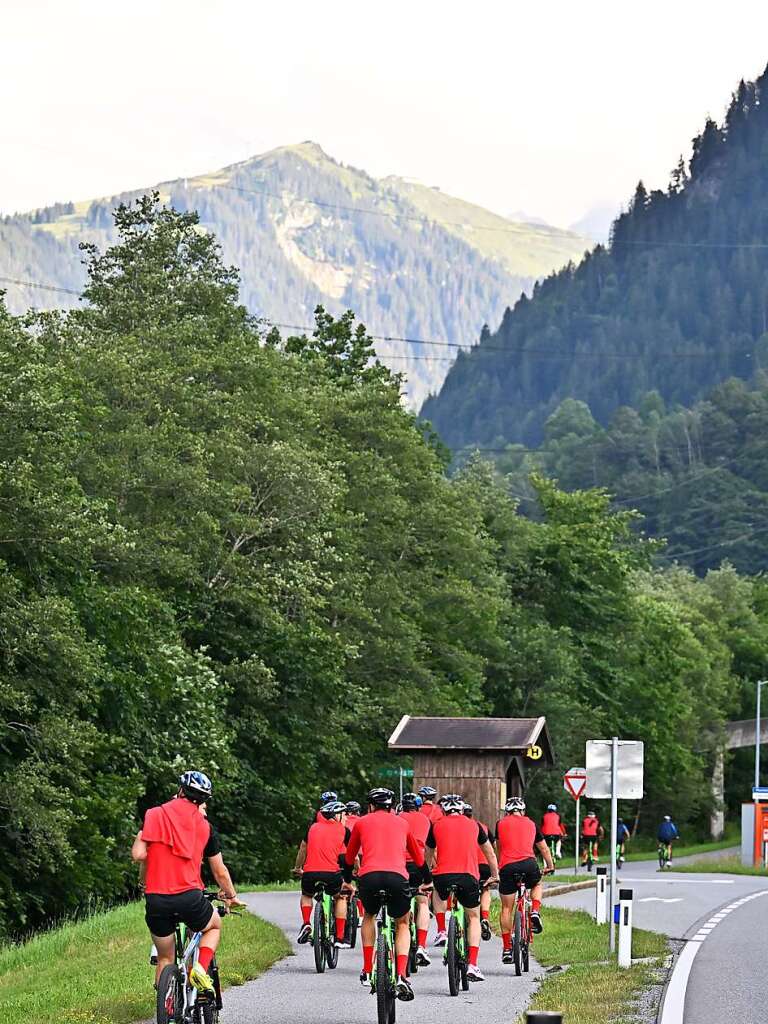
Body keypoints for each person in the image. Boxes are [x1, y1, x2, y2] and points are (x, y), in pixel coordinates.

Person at [131, 770, 240, 993]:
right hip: (188, 897)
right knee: (214, 926)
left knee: (164, 957)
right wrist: (231, 896)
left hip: (156, 900)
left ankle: (166, 999)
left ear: (180, 790)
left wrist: (144, 839)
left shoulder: (155, 814)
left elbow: (139, 856)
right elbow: (219, 871)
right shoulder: (205, 827)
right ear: (203, 801)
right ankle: (200, 968)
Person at [344, 787, 426, 1002]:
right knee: (402, 923)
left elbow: (349, 856)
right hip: (397, 878)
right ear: (391, 806)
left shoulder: (361, 823)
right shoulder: (403, 823)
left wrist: (346, 880)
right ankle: (401, 974)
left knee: (369, 916)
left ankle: (366, 969)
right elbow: (418, 859)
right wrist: (427, 879)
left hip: (369, 877)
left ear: (371, 805)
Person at [426, 794, 499, 982]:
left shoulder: (436, 825)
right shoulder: (474, 825)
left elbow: (429, 853)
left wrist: (427, 874)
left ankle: (442, 930)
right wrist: (495, 875)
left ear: (444, 810)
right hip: (468, 876)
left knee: (438, 894)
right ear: (461, 810)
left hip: (442, 876)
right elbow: (490, 853)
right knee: (474, 917)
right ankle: (473, 965)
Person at [495, 796, 554, 962]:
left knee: (506, 908)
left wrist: (501, 865)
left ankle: (507, 948)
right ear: (523, 811)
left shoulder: (500, 824)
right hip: (529, 865)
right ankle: (535, 910)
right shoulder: (531, 824)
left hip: (507, 867)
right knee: (536, 884)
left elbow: (499, 848)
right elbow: (543, 848)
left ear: (507, 812)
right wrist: (550, 866)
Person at [293, 801, 351, 946]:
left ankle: (306, 923)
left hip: (310, 873)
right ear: (336, 815)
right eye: (343, 814)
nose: (345, 817)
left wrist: (298, 868)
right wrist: (358, 868)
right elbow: (353, 856)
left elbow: (303, 849)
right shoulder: (343, 830)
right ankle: (339, 937)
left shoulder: (312, 828)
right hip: (332, 874)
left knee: (307, 895)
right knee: (341, 897)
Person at [399, 792, 432, 965]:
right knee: (422, 902)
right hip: (417, 865)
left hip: (397, 864)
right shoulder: (425, 820)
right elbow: (429, 847)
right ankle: (421, 944)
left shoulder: (397, 818)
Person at [463, 803, 494, 940]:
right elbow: (491, 846)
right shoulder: (483, 827)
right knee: (485, 889)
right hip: (485, 865)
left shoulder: (460, 828)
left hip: (468, 866)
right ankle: (485, 917)